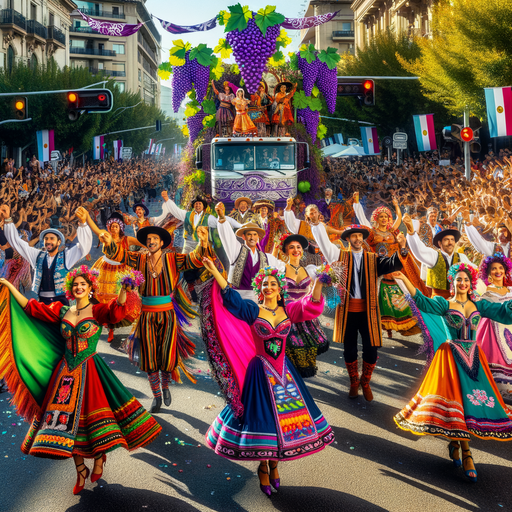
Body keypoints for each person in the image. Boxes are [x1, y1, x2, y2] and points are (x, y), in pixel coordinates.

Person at [0, 266, 161, 494]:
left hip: (92, 372)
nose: (78, 287)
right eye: (75, 285)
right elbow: (31, 307)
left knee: (90, 424)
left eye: (83, 284)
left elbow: (116, 312)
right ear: (70, 288)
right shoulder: (62, 309)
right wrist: (7, 285)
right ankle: (80, 471)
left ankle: (97, 459)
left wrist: (124, 290)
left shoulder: (97, 311)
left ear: (90, 288)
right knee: (68, 429)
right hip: (64, 376)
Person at [202, 259, 334, 496]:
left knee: (281, 420)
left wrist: (319, 282)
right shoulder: (253, 310)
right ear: (259, 289)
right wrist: (215, 272)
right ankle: (264, 466)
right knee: (262, 418)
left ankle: (275, 464)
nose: (269, 287)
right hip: (260, 373)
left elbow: (311, 305)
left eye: (273, 284)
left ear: (279, 288)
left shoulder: (289, 310)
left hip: (284, 373)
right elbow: (231, 298)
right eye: (264, 284)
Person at [393, 264, 512, 483]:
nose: (462, 283)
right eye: (458, 280)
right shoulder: (444, 303)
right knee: (459, 405)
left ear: (471, 283)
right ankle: (467, 454)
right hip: (451, 360)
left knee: (469, 406)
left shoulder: (480, 305)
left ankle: (455, 443)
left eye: (466, 280)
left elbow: (506, 313)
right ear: (452, 282)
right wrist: (405, 279)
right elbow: (421, 301)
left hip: (475, 359)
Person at [100, 225, 212, 413]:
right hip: (146, 315)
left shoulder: (173, 258)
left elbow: (195, 259)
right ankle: (156, 395)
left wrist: (203, 241)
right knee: (149, 355)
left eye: (155, 239)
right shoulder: (139, 258)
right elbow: (120, 256)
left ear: (162, 243)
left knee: (167, 355)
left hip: (167, 314)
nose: (151, 241)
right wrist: (109, 242)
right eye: (148, 239)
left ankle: (166, 386)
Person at [311, 222, 406, 401]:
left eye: (360, 236)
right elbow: (323, 242)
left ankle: (366, 381)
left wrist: (402, 249)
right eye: (354, 236)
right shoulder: (339, 255)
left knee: (371, 351)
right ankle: (354, 381)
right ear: (347, 239)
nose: (358, 239)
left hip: (368, 312)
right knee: (350, 350)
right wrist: (316, 225)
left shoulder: (373, 258)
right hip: (347, 310)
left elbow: (392, 264)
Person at [353, 193, 427, 336]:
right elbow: (366, 245)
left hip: (395, 268)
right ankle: (382, 325)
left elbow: (399, 217)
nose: (384, 219)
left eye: (386, 216)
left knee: (402, 296)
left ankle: (404, 325)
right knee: (380, 299)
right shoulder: (372, 233)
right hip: (380, 270)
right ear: (376, 218)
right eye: (381, 216)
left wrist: (396, 205)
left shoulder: (393, 232)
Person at [0, 204, 92, 305]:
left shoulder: (67, 256)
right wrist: (8, 218)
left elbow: (84, 248)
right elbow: (17, 243)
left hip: (61, 303)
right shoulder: (37, 256)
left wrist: (83, 224)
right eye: (46, 239)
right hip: (42, 303)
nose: (48, 241)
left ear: (58, 242)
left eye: (52, 238)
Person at [82, 208, 144, 343]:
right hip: (104, 267)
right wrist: (87, 216)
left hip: (122, 271)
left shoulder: (128, 239)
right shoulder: (106, 236)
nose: (114, 228)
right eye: (112, 226)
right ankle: (106, 327)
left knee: (120, 300)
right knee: (101, 299)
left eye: (116, 226)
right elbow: (96, 229)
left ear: (120, 227)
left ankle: (117, 328)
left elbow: (144, 243)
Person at [280, 234, 329, 377]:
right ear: (285, 251)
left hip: (305, 317)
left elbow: (313, 292)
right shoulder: (280, 268)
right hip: (287, 317)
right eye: (291, 247)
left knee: (306, 358)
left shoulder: (309, 270)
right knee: (288, 358)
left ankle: (299, 390)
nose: (296, 250)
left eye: (298, 247)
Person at [216, 202, 285, 302]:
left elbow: (283, 268)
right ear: (243, 237)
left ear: (258, 237)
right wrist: (222, 219)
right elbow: (228, 237)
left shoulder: (266, 257)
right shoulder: (236, 251)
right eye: (249, 234)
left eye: (254, 234)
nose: (252, 237)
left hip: (258, 300)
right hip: (237, 298)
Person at [403, 213, 470, 299]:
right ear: (439, 243)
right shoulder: (434, 256)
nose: (450, 242)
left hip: (458, 301)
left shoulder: (461, 257)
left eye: (452, 240)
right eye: (446, 240)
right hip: (437, 303)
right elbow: (419, 250)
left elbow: (474, 272)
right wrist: (411, 232)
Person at [476, 254, 512, 401]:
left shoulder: (510, 291)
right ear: (489, 273)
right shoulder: (486, 294)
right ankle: (500, 389)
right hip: (493, 332)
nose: (498, 271)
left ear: (505, 270)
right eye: (494, 269)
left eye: (501, 268)